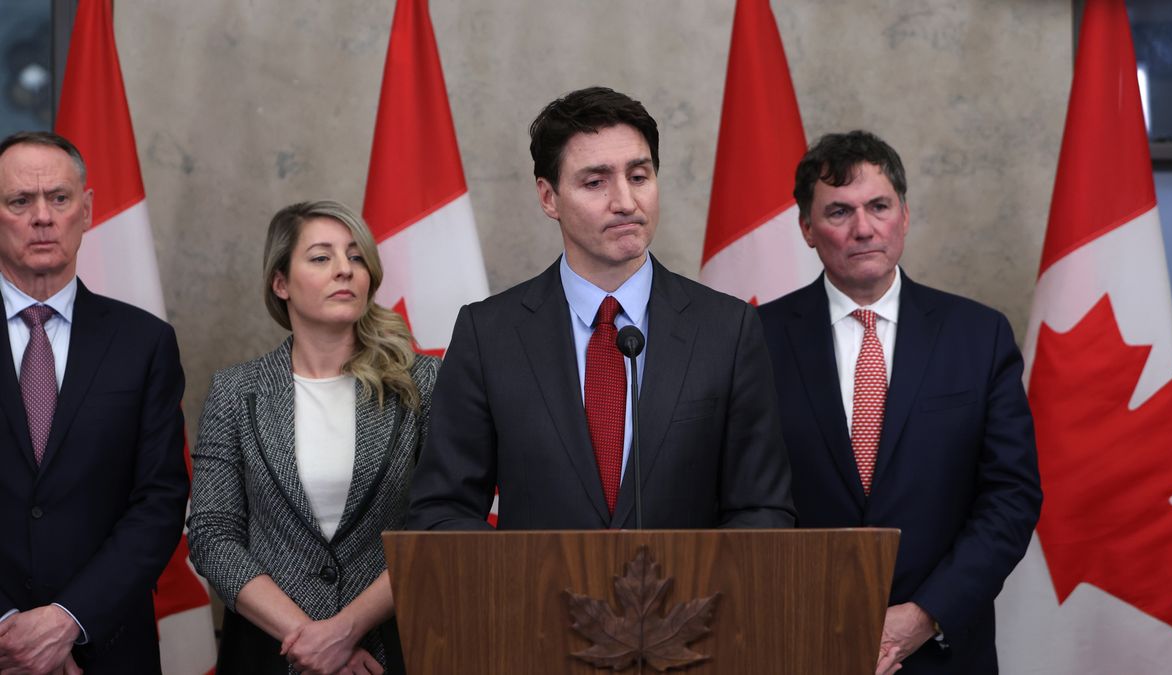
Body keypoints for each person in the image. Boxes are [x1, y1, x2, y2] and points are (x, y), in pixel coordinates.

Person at [407, 86, 794, 531]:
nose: (626, 203)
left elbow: (763, 510)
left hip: (689, 600)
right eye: (595, 182)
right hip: (534, 599)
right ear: (548, 197)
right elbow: (442, 511)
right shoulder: (488, 333)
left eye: (639, 176)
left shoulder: (729, 329)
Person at [758, 131, 1041, 674]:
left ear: (904, 217)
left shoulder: (978, 336)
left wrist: (927, 613)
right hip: (802, 642)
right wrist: (813, 615)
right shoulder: (753, 339)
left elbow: (1011, 496)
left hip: (944, 649)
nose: (863, 228)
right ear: (807, 229)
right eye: (838, 211)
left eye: (879, 206)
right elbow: (741, 496)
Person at [188, 200, 438, 674]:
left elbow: (437, 528)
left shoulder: (422, 384)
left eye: (356, 256)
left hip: (390, 646)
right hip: (270, 650)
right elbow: (212, 534)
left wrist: (344, 631)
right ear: (280, 282)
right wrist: (311, 639)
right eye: (321, 257)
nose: (344, 269)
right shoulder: (236, 391)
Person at [0, 130, 188, 674]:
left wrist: (65, 620)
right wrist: (10, 628)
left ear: (85, 211)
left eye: (58, 199)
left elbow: (159, 502)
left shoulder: (145, 342)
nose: (42, 217)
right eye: (20, 201)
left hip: (105, 649)